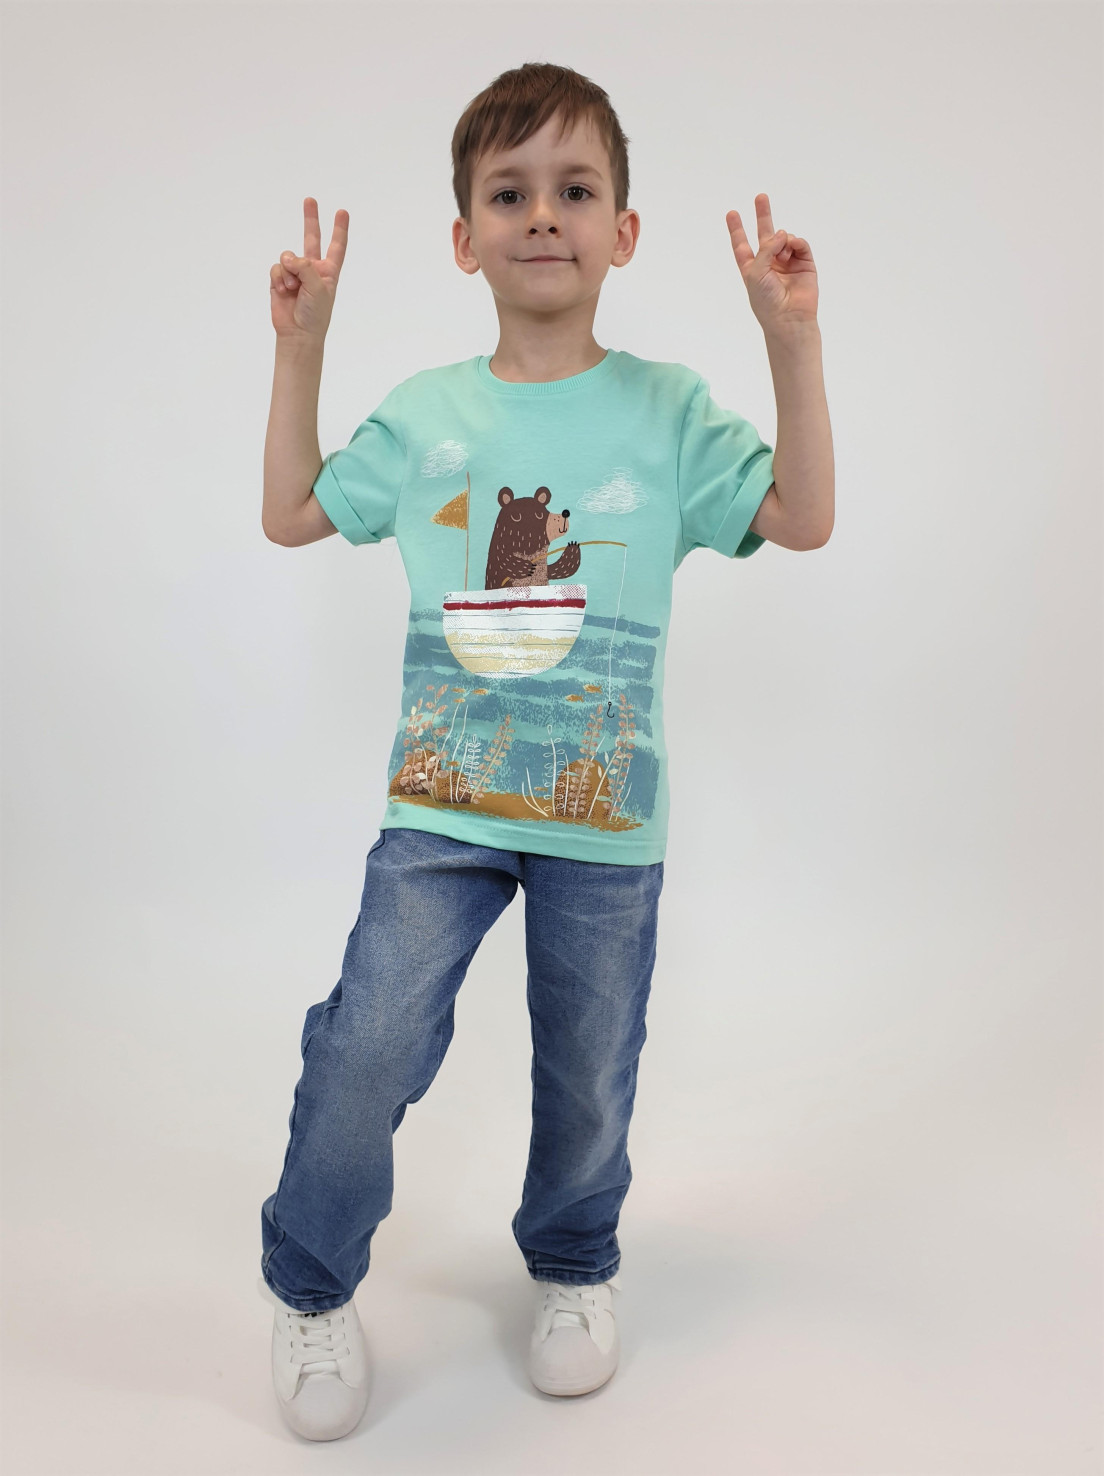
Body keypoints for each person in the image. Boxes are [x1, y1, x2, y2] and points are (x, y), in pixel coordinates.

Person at [258, 60, 834, 1440]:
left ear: (622, 232)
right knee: (368, 1043)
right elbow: (291, 513)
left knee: (588, 1070)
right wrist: (302, 346)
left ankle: (574, 1264)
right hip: (441, 809)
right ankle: (310, 1283)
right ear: (464, 238)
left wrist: (792, 344)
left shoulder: (669, 411)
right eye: (508, 193)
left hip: (604, 819)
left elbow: (802, 518)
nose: (541, 216)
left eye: (574, 190)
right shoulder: (427, 414)